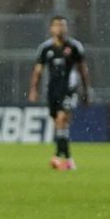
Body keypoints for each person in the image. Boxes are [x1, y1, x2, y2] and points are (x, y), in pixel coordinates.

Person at [28, 15, 90, 171]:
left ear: (66, 28)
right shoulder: (45, 48)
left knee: (62, 119)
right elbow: (38, 71)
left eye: (62, 25)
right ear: (51, 28)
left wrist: (86, 90)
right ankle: (59, 157)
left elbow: (82, 70)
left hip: (69, 89)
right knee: (58, 124)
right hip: (53, 90)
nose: (60, 28)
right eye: (57, 25)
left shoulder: (74, 47)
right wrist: (33, 89)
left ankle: (67, 160)